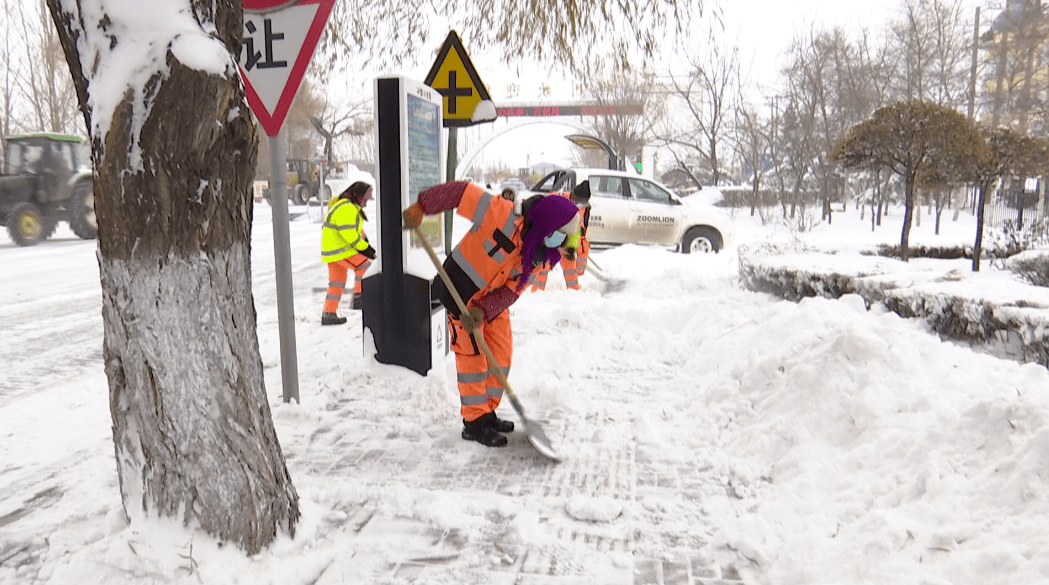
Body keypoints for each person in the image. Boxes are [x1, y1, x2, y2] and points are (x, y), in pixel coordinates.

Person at [402, 181, 581, 447]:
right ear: (547, 225)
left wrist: (484, 309)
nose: (562, 244)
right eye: (562, 236)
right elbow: (460, 193)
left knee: (501, 355)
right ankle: (474, 422)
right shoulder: (500, 212)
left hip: (489, 304)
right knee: (473, 359)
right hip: (459, 294)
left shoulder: (535, 253)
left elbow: (512, 290)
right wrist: (423, 205)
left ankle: (488, 411)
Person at [320, 181, 376, 325]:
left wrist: (365, 241)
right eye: (365, 199)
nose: (366, 203)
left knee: (337, 282)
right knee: (364, 265)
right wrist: (365, 249)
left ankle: (329, 313)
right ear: (358, 196)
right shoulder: (347, 208)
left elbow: (356, 230)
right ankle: (359, 298)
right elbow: (349, 234)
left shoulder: (347, 206)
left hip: (332, 251)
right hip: (340, 250)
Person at [529, 181, 592, 291]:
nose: (579, 204)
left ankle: (573, 290)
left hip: (566, 239)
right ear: (573, 196)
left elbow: (578, 230)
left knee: (569, 265)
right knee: (544, 264)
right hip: (551, 236)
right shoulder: (556, 197)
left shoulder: (582, 208)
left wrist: (572, 247)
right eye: (578, 201)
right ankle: (537, 291)